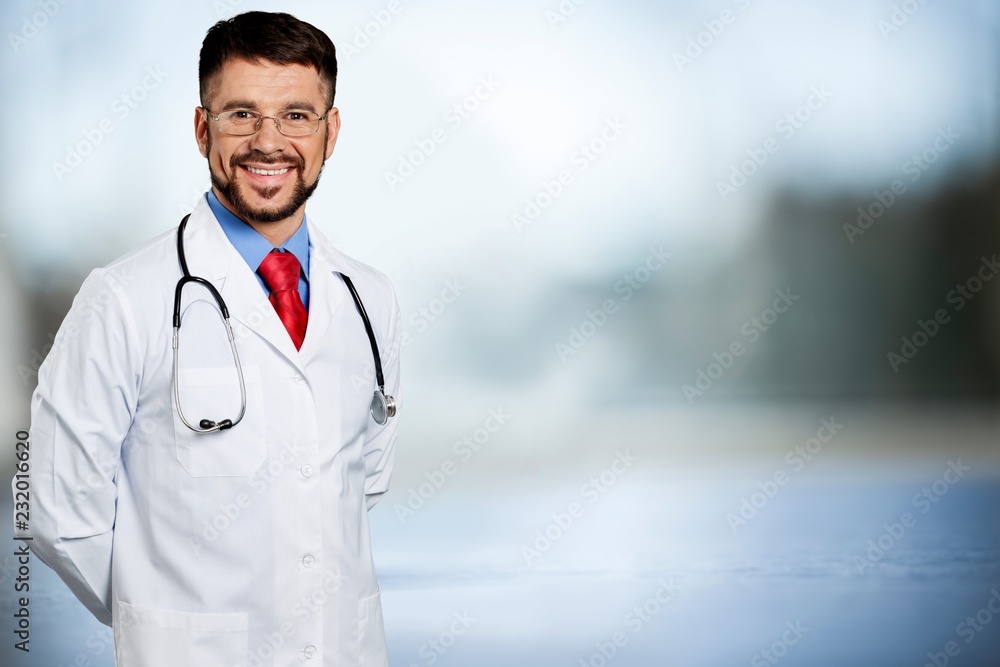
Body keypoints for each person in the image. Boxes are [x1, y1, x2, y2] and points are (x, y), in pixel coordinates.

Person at [13, 11, 401, 667]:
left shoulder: (370, 297)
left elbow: (360, 478)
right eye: (241, 114)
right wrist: (165, 614)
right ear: (202, 128)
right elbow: (52, 507)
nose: (269, 141)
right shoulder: (123, 298)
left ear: (331, 132)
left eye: (297, 116)